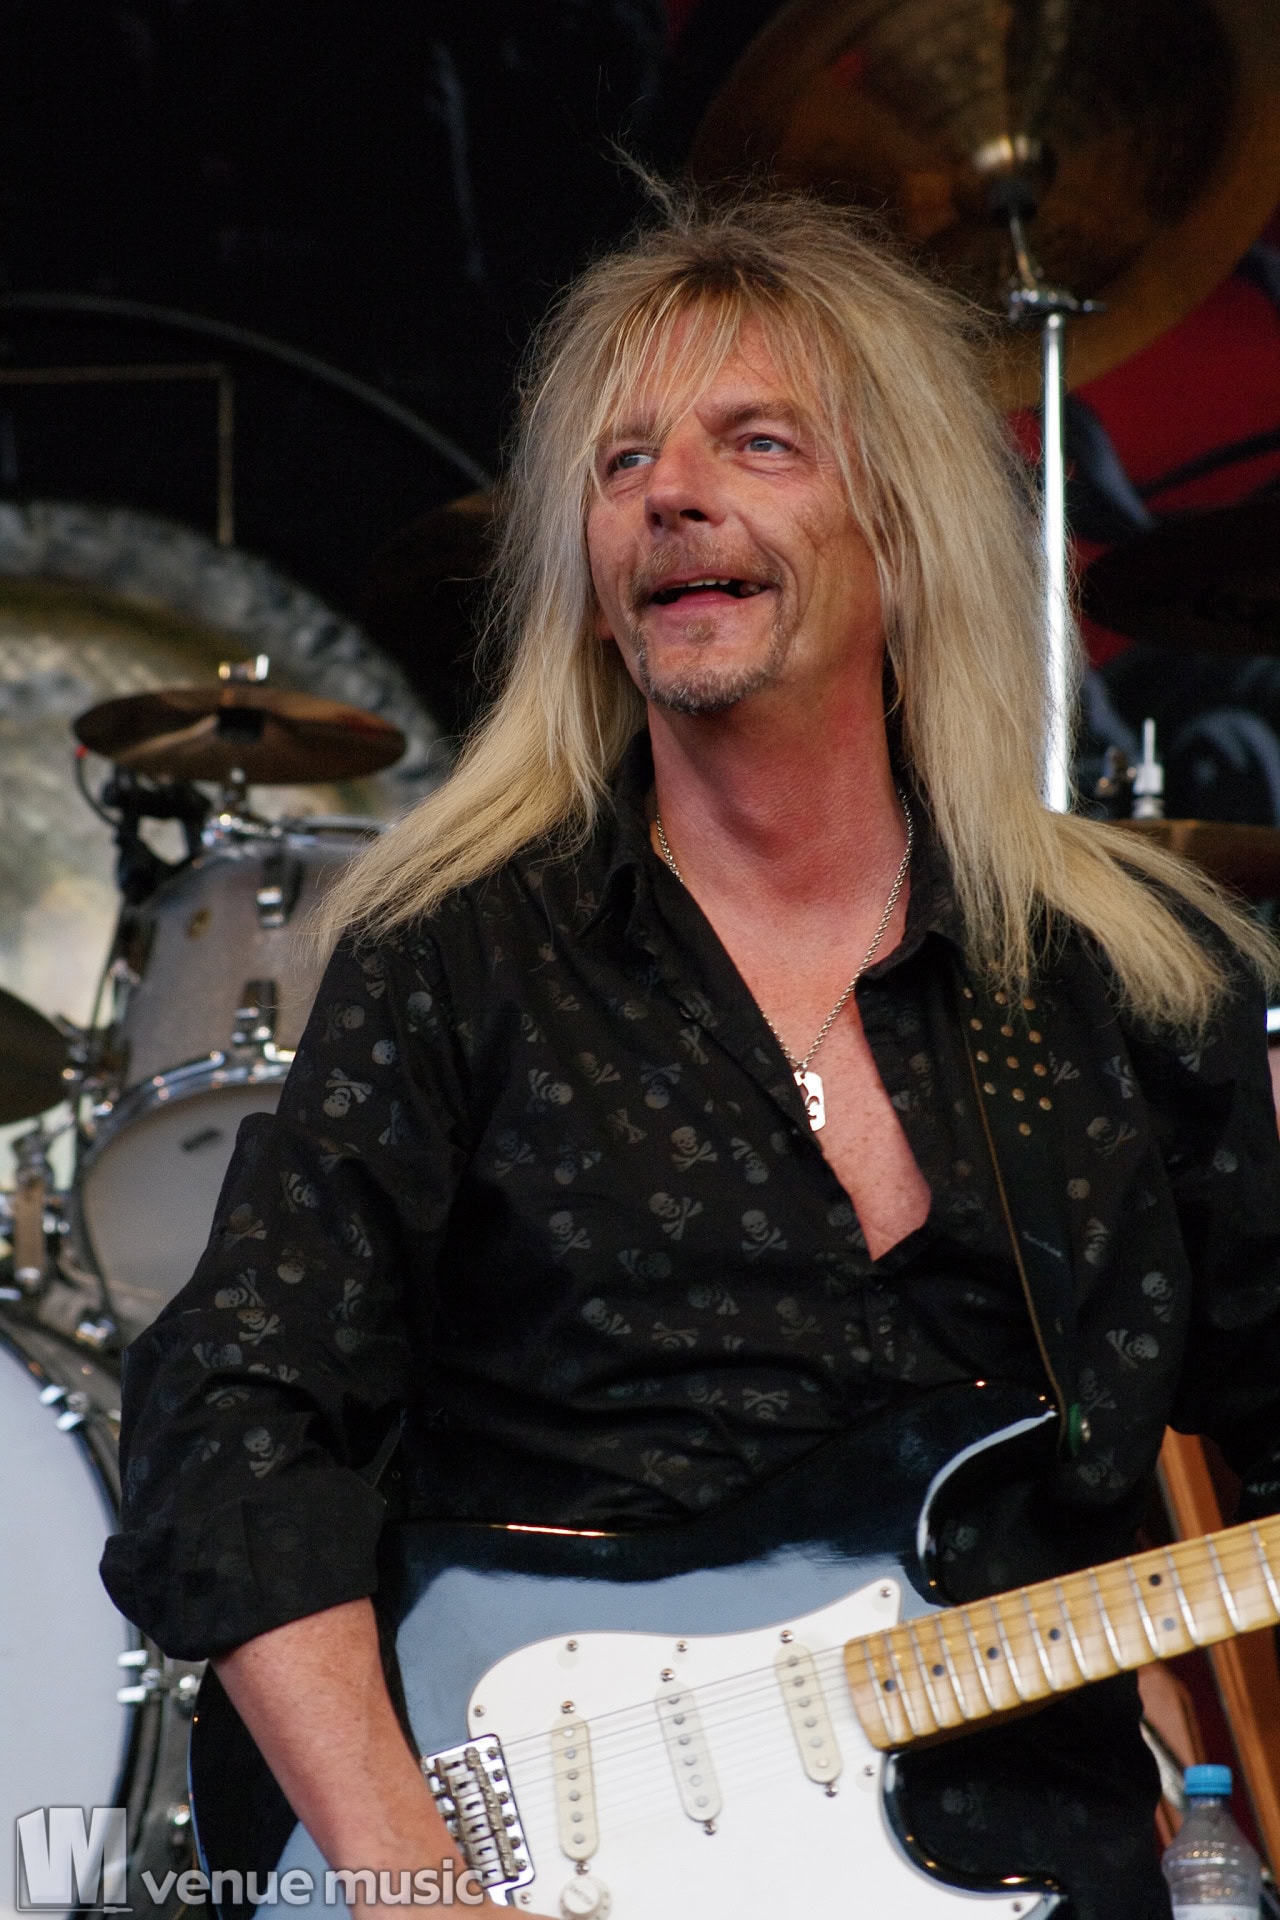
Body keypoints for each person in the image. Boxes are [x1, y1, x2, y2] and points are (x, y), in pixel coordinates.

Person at [103, 189, 1280, 1920]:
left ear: (901, 529)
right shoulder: (458, 958)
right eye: (621, 461)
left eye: (758, 441)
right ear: (592, 586)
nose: (670, 491)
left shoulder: (1133, 983)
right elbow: (231, 1427)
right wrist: (411, 1881)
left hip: (1040, 1861)